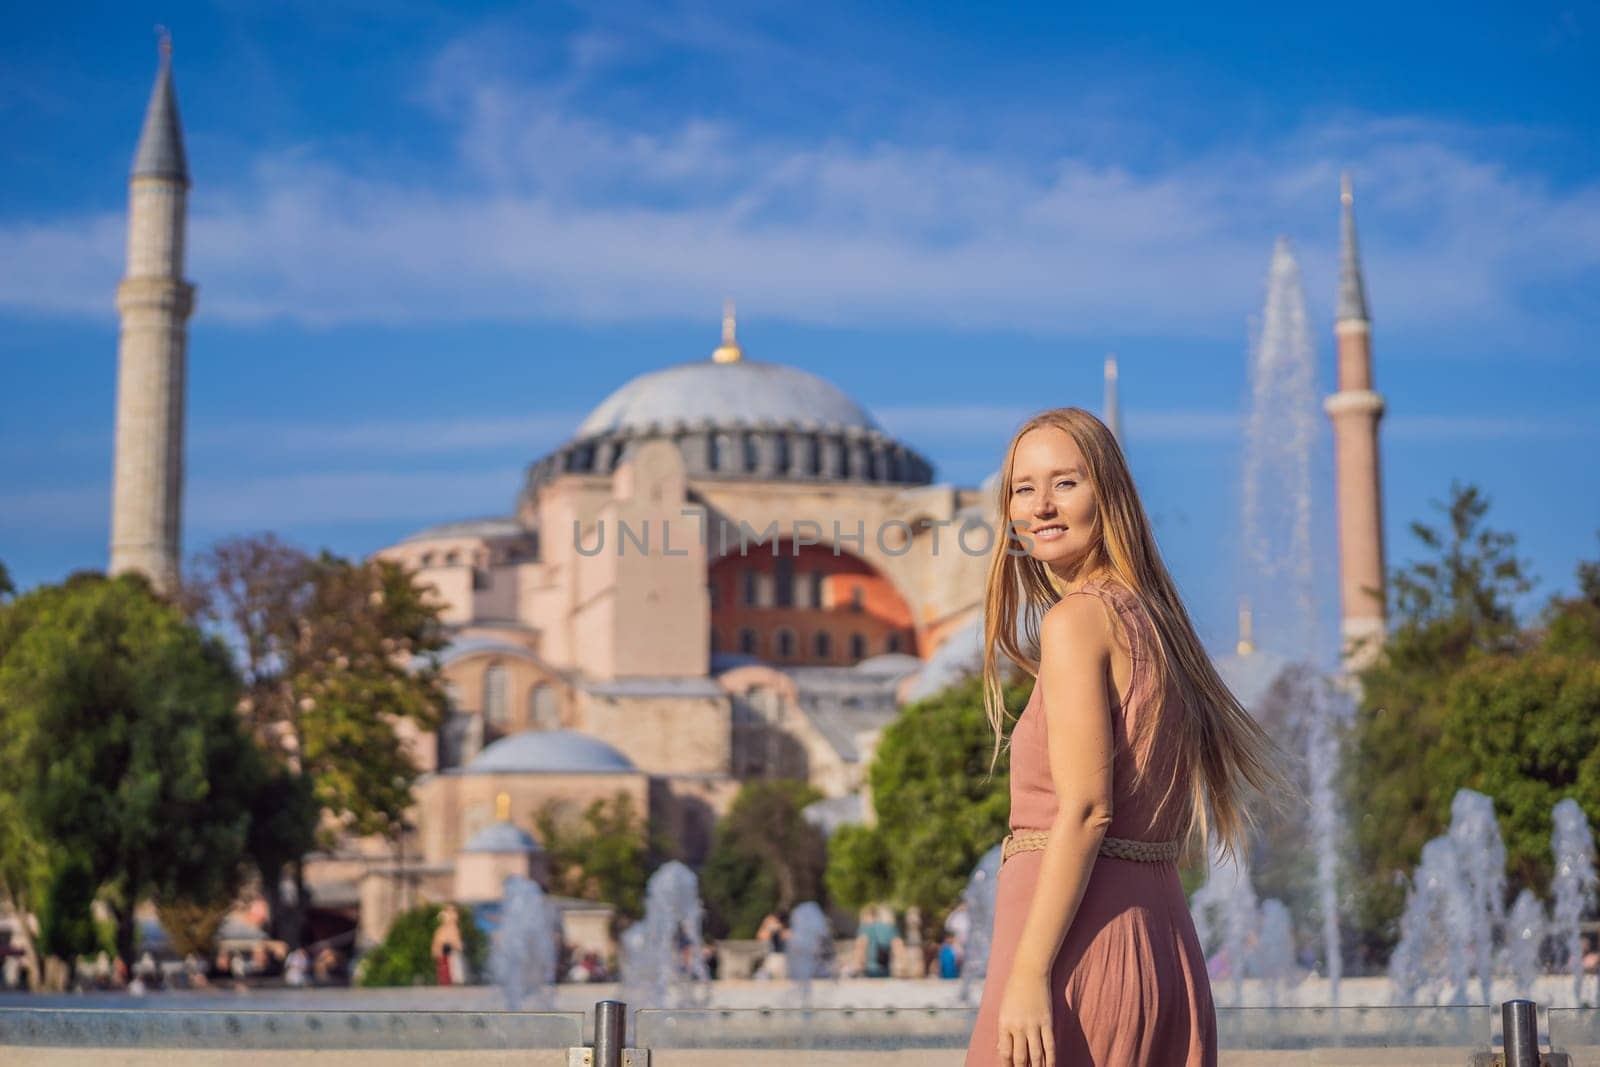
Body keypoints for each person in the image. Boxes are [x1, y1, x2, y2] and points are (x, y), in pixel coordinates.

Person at [965, 408, 1289, 1067]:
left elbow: (1086, 811)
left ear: (1107, 493)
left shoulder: (1078, 620)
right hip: (1155, 937)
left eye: (1067, 481)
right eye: (1023, 488)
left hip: (1074, 948)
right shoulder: (1155, 624)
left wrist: (1028, 972)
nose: (1043, 505)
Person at [854, 905, 902, 979]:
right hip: (886, 970)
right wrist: (901, 968)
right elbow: (898, 948)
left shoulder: (865, 929)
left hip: (869, 970)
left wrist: (858, 966)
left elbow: (861, 946)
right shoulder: (890, 928)